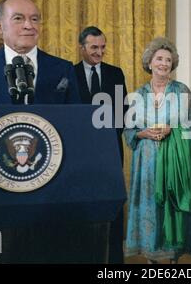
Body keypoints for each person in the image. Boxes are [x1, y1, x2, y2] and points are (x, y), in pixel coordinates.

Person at [0, 0, 81, 263]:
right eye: (19, 18)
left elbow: (78, 129)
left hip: (51, 199)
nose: (29, 25)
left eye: (35, 19)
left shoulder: (63, 70)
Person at [124, 37, 191, 263]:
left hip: (174, 162)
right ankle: (151, 257)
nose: (163, 63)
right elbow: (129, 130)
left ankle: (174, 257)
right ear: (150, 62)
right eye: (159, 59)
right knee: (151, 206)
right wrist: (144, 133)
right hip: (146, 161)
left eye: (168, 60)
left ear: (172, 64)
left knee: (172, 207)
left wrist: (172, 129)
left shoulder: (182, 90)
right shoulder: (139, 93)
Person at [75, 26, 128, 264]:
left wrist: (105, 140)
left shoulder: (116, 73)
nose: (99, 52)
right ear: (82, 48)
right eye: (94, 47)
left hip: (110, 152)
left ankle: (115, 260)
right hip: (78, 154)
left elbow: (123, 112)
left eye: (103, 47)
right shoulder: (69, 73)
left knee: (112, 206)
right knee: (81, 207)